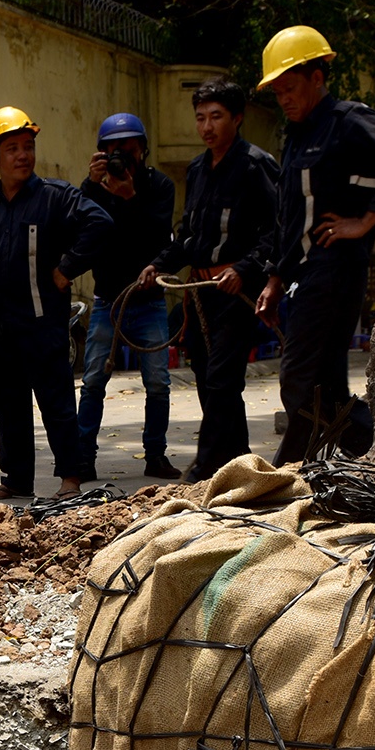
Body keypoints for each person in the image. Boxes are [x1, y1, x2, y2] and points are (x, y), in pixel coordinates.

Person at [255, 26, 375, 464]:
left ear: (317, 77)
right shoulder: (295, 136)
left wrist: (364, 221)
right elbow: (290, 218)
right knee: (326, 388)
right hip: (307, 274)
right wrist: (275, 278)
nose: (284, 99)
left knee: (297, 380)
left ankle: (289, 471)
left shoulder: (348, 121)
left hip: (335, 272)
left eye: (290, 88)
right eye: (277, 93)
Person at [0, 107, 110, 501]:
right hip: (2, 327)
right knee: (8, 408)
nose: (23, 155)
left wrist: (67, 268)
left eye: (28, 146)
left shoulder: (55, 197)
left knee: (56, 403)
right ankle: (16, 479)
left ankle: (71, 479)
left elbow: (99, 224)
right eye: (12, 148)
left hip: (44, 323)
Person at [146, 77, 278, 482]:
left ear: (236, 119)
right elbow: (189, 234)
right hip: (200, 295)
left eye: (216, 116)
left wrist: (245, 270)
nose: (206, 126)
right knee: (207, 378)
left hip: (236, 294)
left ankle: (204, 465)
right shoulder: (198, 169)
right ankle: (238, 461)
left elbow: (277, 230)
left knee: (222, 378)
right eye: (200, 117)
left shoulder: (257, 165)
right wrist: (159, 264)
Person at [75, 111, 179, 481]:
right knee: (92, 382)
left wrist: (130, 197)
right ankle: (82, 459)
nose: (122, 157)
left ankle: (156, 455)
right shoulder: (93, 191)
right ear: (101, 154)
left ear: (143, 150)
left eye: (128, 149)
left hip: (148, 299)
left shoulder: (159, 187)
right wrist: (91, 186)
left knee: (157, 382)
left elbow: (157, 237)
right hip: (107, 300)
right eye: (113, 150)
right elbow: (80, 230)